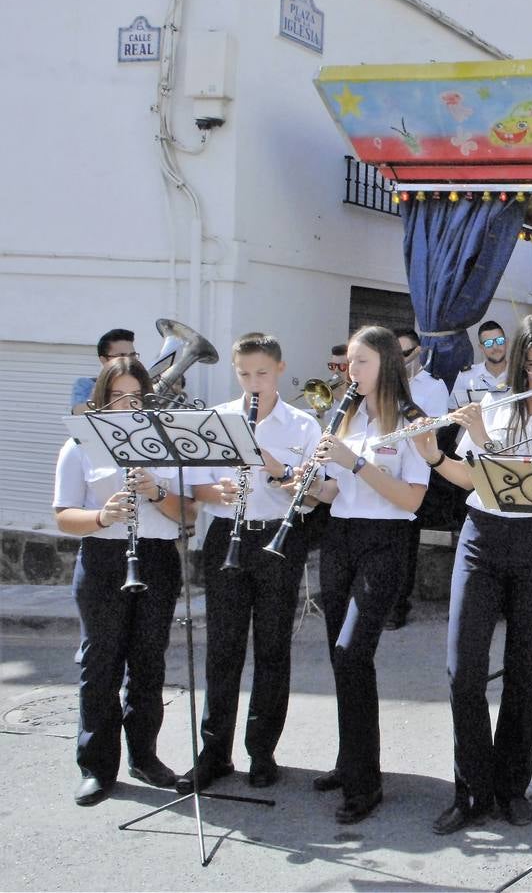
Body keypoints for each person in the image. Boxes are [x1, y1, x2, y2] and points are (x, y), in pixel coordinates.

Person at [411, 314, 532, 835]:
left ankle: (512, 787)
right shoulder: (493, 405)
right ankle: (471, 788)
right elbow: (472, 479)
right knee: (463, 670)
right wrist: (432, 455)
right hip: (481, 538)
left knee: (521, 672)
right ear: (516, 364)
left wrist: (485, 441)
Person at [175, 334, 323, 793]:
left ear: (279, 369)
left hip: (278, 535)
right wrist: (214, 493)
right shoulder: (219, 419)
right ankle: (214, 753)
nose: (253, 382)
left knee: (273, 648)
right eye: (244, 374)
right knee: (223, 647)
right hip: (227, 536)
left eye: (261, 373)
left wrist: (273, 467)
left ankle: (262, 751)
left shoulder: (302, 424)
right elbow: (196, 486)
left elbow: (312, 495)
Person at [54, 358, 195, 806]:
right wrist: (102, 515)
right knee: (100, 665)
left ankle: (144, 757)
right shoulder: (78, 444)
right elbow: (63, 517)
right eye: (116, 396)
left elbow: (189, 515)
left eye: (135, 396)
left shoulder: (167, 443)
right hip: (103, 559)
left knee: (148, 663)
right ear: (101, 398)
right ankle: (96, 767)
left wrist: (156, 492)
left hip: (155, 558)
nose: (126, 404)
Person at [305, 326, 430, 824]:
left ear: (386, 365)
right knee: (341, 660)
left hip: (385, 541)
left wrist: (354, 463)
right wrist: (307, 482)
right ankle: (351, 761)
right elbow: (332, 493)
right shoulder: (346, 415)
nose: (350, 373)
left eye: (360, 363)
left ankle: (366, 783)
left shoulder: (413, 421)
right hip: (340, 538)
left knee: (351, 653)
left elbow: (411, 499)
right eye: (348, 364)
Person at [387, 328, 452, 631]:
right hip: (383, 466)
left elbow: (434, 430)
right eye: (394, 354)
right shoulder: (381, 382)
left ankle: (398, 604)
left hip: (413, 469)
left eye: (404, 353)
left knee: (404, 542)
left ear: (419, 353)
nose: (399, 360)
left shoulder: (433, 386)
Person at [71, 328, 137, 415]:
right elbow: (78, 412)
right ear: (104, 360)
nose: (129, 361)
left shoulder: (139, 383)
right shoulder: (86, 384)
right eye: (121, 356)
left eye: (132, 355)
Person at [450, 320, 511, 406]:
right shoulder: (465, 377)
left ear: (507, 342)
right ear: (481, 348)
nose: (495, 347)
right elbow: (453, 411)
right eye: (488, 343)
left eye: (499, 340)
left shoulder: (520, 374)